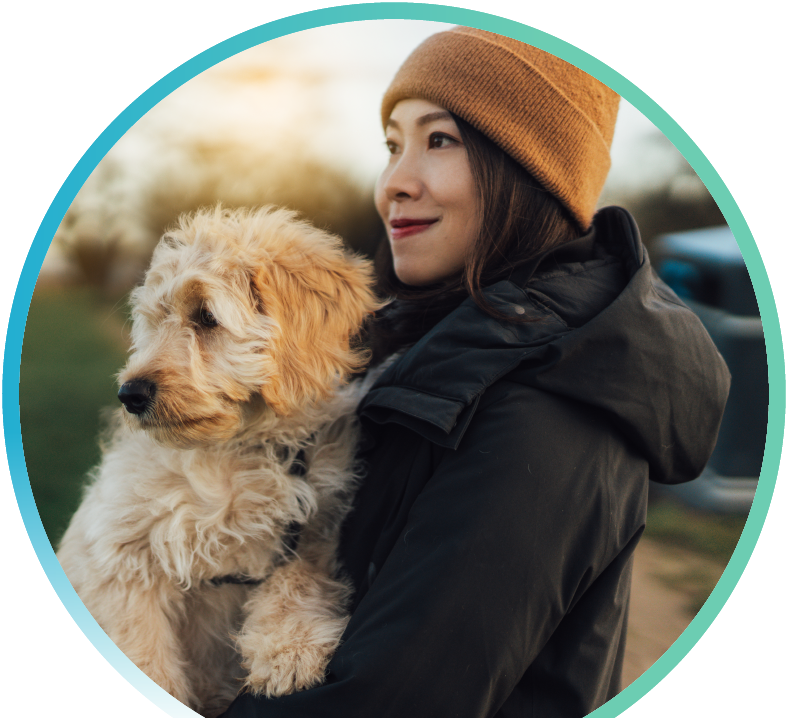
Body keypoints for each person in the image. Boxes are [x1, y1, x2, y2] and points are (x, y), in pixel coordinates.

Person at [220, 26, 730, 718]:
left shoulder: (549, 409)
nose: (395, 184)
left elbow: (388, 704)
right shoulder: (431, 343)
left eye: (440, 141)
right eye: (393, 145)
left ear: (529, 172)